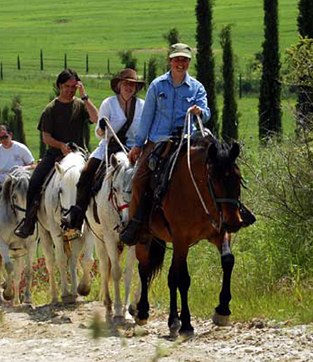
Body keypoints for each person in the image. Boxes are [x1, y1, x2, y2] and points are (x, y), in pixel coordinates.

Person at [119, 43, 210, 246]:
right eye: (177, 59)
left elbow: (207, 112)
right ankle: (136, 225)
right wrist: (138, 145)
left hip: (186, 141)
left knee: (213, 170)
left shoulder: (197, 87)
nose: (181, 63)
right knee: (137, 181)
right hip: (158, 141)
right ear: (170, 61)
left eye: (184, 60)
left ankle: (220, 216)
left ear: (189, 62)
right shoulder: (157, 85)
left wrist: (200, 112)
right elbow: (147, 117)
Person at [14, 69, 98, 238]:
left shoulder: (81, 105)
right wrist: (60, 146)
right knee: (35, 182)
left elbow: (95, 118)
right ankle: (29, 222)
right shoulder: (50, 109)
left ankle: (99, 220)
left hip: (79, 154)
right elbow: (46, 137)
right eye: (67, 86)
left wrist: (84, 96)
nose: (70, 90)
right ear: (60, 86)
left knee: (100, 181)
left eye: (74, 86)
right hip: (55, 155)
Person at [61, 68, 145, 231]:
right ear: (119, 85)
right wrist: (101, 128)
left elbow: (145, 130)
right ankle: (77, 215)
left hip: (134, 149)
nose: (129, 88)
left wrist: (139, 147)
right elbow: (99, 134)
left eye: (132, 85)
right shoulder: (109, 103)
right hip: (108, 147)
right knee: (86, 173)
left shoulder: (142, 105)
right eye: (126, 84)